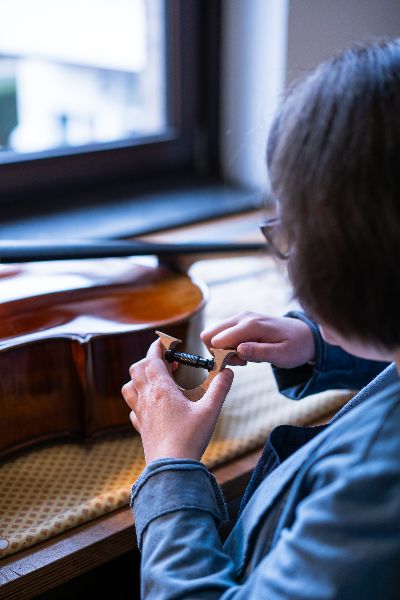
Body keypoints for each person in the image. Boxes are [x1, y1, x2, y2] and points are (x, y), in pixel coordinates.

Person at [121, 38, 400, 598]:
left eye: (289, 232)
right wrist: (318, 343)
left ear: (354, 252)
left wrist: (171, 464)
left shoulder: (377, 482)